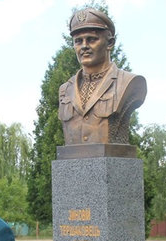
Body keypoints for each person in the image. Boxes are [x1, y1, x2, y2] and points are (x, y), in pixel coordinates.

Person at [58, 7, 146, 146]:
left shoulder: (129, 82)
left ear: (110, 43)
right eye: (78, 41)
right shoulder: (65, 90)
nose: (84, 46)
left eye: (92, 39)